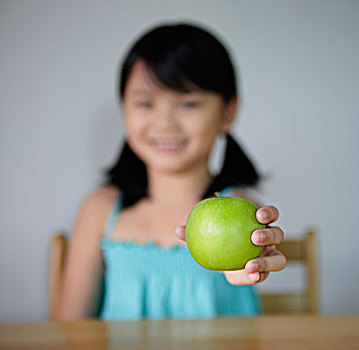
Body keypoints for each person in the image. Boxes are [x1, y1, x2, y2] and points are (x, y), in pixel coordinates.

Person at [56, 23, 286, 321]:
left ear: (227, 113)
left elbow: (253, 263)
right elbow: (70, 328)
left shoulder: (245, 208)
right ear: (123, 108)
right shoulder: (100, 211)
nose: (165, 123)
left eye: (188, 103)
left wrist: (255, 260)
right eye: (145, 103)